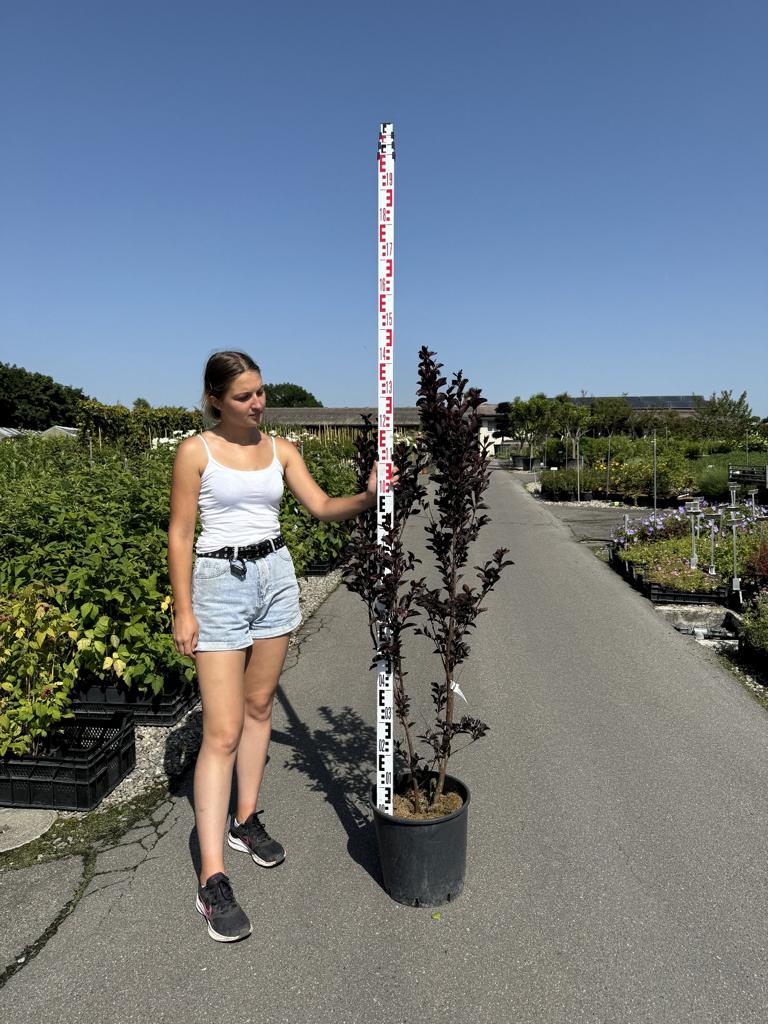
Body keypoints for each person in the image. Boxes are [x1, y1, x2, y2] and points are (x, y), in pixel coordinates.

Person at [168, 350, 386, 942]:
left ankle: (245, 819)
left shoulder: (282, 449)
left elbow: (319, 507)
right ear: (215, 398)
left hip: (275, 579)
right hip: (217, 586)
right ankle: (212, 878)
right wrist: (183, 608)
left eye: (260, 392)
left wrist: (366, 498)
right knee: (222, 731)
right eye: (244, 396)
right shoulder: (196, 452)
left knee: (260, 707)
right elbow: (181, 532)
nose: (257, 403)